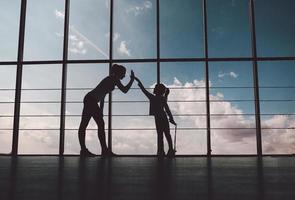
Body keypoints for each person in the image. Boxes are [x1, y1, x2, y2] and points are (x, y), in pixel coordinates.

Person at [79, 64, 135, 157]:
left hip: (90, 99)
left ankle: (85, 150)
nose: (124, 76)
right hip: (91, 100)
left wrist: (101, 110)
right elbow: (125, 90)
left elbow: (103, 95)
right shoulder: (114, 79)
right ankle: (103, 150)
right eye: (123, 73)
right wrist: (132, 80)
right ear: (119, 72)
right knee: (98, 124)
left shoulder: (111, 79)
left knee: (85, 124)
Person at [134, 77, 177, 157]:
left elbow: (143, 89)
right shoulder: (162, 98)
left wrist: (137, 80)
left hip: (158, 119)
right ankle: (170, 150)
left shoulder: (152, 97)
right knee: (167, 134)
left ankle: (161, 152)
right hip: (163, 117)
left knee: (160, 135)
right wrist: (171, 118)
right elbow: (167, 109)